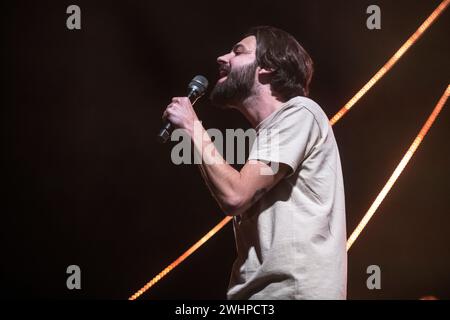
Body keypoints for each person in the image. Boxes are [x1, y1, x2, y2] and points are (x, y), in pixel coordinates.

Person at [163, 26, 347, 299]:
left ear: (268, 67)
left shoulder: (301, 113)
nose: (222, 58)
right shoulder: (270, 134)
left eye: (238, 52)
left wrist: (192, 127)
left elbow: (235, 195)